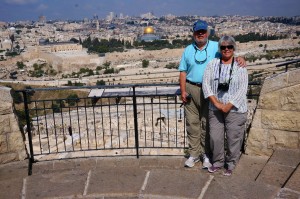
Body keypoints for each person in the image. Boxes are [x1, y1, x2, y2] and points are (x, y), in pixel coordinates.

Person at [178, 20, 246, 169]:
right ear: (194, 34)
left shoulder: (216, 46)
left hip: (210, 91)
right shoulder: (188, 50)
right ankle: (194, 154)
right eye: (198, 32)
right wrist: (183, 90)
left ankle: (206, 154)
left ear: (207, 33)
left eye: (203, 31)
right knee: (192, 123)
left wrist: (241, 59)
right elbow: (183, 71)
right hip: (191, 89)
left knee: (207, 124)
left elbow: (228, 53)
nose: (200, 34)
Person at [202, 35, 248, 176]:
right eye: (223, 47)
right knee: (215, 137)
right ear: (220, 49)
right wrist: (217, 103)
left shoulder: (240, 66)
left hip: (235, 109)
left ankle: (231, 163)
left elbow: (242, 89)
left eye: (229, 47)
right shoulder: (212, 64)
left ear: (234, 48)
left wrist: (228, 105)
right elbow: (206, 84)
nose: (226, 49)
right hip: (215, 108)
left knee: (233, 137)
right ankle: (218, 162)